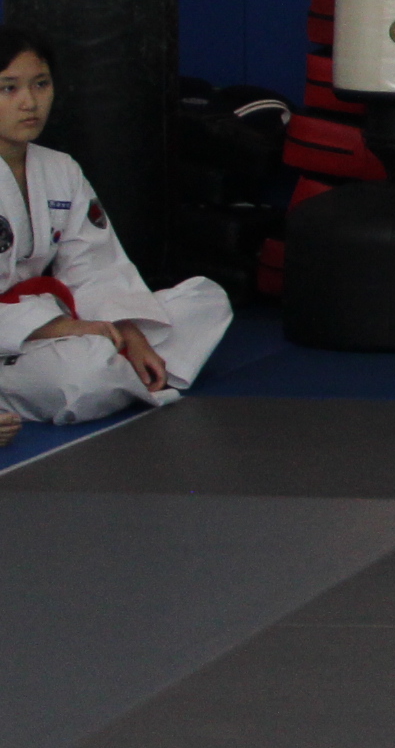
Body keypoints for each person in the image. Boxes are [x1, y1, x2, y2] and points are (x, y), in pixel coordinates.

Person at [0, 27, 232, 442]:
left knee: (207, 301)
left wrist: (128, 331)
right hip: (15, 332)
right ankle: (99, 372)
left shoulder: (59, 169)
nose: (29, 102)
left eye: (41, 84)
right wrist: (60, 327)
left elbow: (94, 265)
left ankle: (114, 367)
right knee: (83, 373)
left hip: (48, 325)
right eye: (8, 88)